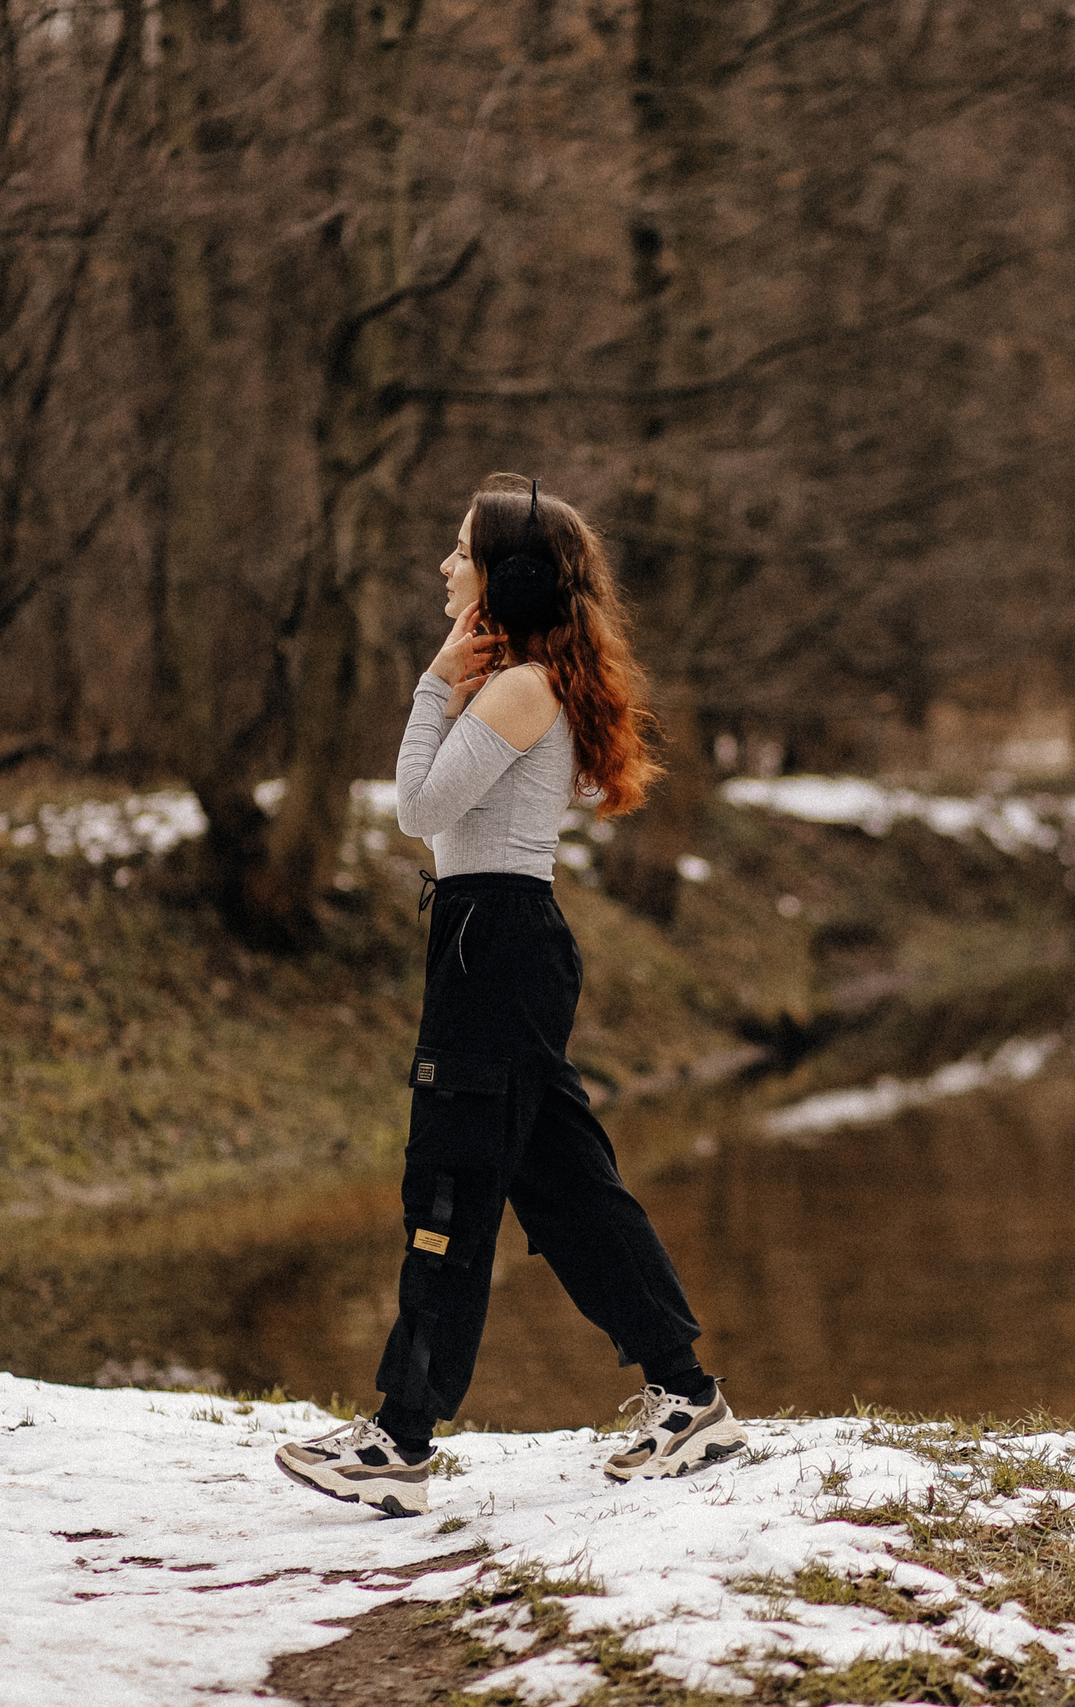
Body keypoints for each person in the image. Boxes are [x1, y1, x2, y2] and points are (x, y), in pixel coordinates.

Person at [272, 476, 743, 1518]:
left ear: (511, 579)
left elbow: (417, 808)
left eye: (461, 554)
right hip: (493, 940)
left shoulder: (519, 688)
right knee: (567, 1186)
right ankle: (688, 1398)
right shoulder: (525, 683)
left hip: (498, 946)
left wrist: (432, 685)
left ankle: (400, 1442)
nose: (445, 569)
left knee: (449, 1187)